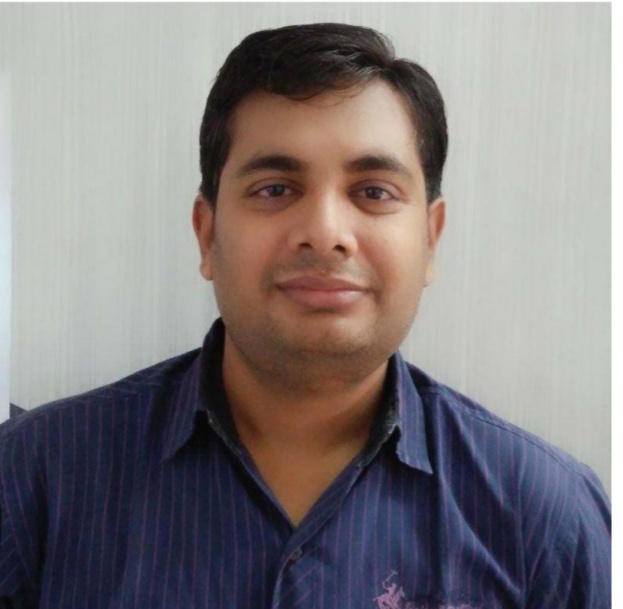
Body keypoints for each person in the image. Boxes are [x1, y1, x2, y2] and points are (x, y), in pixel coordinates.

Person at [0, 22, 610, 609]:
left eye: (373, 192)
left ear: (430, 239)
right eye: (275, 189)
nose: (324, 232)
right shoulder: (36, 477)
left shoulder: (544, 516)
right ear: (207, 234)